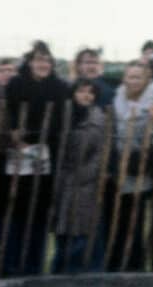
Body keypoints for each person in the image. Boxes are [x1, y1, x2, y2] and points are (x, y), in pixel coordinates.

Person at [1, 41, 72, 276]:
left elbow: (63, 120)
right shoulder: (16, 84)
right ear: (29, 62)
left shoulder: (60, 88)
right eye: (38, 60)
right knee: (16, 210)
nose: (42, 64)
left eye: (46, 60)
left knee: (40, 212)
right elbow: (6, 113)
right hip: (18, 152)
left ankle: (34, 266)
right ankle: (11, 265)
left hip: (46, 153)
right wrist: (12, 132)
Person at [106, 59, 153, 271]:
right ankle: (115, 265)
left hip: (140, 168)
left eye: (138, 77)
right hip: (116, 168)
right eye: (130, 76)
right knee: (117, 222)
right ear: (124, 78)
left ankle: (135, 266)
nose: (133, 81)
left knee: (135, 221)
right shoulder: (117, 97)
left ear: (146, 79)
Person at [50, 78, 106, 273]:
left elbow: (100, 154)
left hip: (84, 185)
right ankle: (58, 273)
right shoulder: (65, 114)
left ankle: (72, 274)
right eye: (82, 91)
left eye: (91, 92)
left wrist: (84, 175)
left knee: (80, 233)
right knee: (63, 232)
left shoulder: (97, 119)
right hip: (62, 182)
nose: (86, 95)